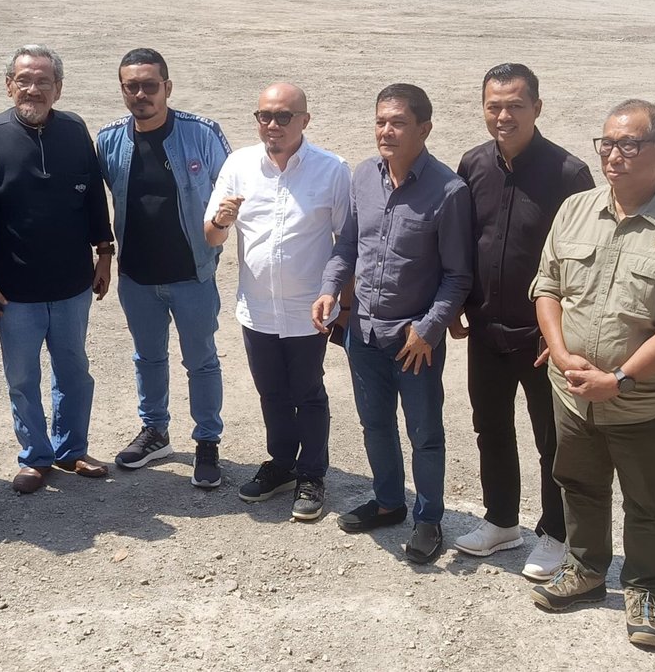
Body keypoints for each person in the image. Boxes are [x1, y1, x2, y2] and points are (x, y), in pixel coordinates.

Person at [529, 98, 655, 649]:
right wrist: (560, 353)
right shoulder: (575, 209)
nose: (614, 155)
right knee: (579, 486)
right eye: (607, 143)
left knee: (647, 502)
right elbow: (548, 287)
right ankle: (587, 571)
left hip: (643, 402)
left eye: (629, 144)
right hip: (572, 394)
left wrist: (620, 380)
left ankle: (644, 590)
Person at [314, 83, 473, 565]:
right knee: (375, 424)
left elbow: (458, 275)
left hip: (413, 341)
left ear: (424, 129)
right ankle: (388, 502)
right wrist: (330, 289)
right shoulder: (364, 175)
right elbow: (348, 245)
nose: (386, 131)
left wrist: (430, 328)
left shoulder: (449, 191)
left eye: (398, 122)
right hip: (362, 332)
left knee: (424, 433)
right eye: (381, 121)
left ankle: (429, 519)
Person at [449, 63, 593, 580]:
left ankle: (556, 533)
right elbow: (463, 239)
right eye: (494, 106)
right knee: (490, 427)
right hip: (486, 329)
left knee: (551, 439)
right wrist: (457, 303)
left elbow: (586, 261)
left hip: (542, 339)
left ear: (537, 107)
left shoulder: (569, 173)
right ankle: (501, 520)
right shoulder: (473, 164)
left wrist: (562, 334)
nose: (503, 116)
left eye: (515, 105)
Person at [0, 45, 114, 495]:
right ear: (8, 85)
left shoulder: (74, 129)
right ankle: (35, 457)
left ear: (58, 88)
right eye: (24, 80)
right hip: (13, 289)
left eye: (43, 81)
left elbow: (92, 195)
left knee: (74, 371)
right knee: (23, 378)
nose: (33, 89)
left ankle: (72, 450)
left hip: (72, 283)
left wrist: (104, 252)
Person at [206, 83, 351, 522]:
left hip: (310, 310)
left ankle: (312, 474)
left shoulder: (331, 169)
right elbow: (211, 234)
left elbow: (347, 241)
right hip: (258, 309)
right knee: (271, 392)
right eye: (265, 116)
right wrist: (221, 221)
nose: (273, 125)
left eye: (284, 116)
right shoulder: (239, 165)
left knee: (308, 392)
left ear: (305, 120)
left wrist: (341, 301)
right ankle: (282, 464)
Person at [97, 48, 231, 488]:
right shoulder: (109, 140)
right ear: (122, 90)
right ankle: (155, 432)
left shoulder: (202, 133)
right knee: (148, 357)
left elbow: (233, 189)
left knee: (201, 360)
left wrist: (220, 239)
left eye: (150, 85)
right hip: (137, 277)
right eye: (131, 86)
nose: (141, 94)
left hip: (192, 275)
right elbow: (91, 201)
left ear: (167, 87)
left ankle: (207, 441)